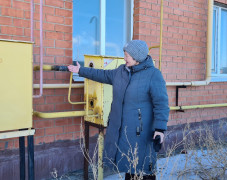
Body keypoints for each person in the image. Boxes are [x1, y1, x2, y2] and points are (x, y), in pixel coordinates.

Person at [68, 40, 169, 180]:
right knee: (130, 165)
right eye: (124, 54)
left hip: (142, 132)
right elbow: (101, 75)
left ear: (137, 57)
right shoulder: (121, 71)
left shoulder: (153, 75)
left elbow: (161, 104)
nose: (125, 58)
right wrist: (80, 70)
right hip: (124, 130)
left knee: (144, 168)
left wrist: (160, 129)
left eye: (127, 55)